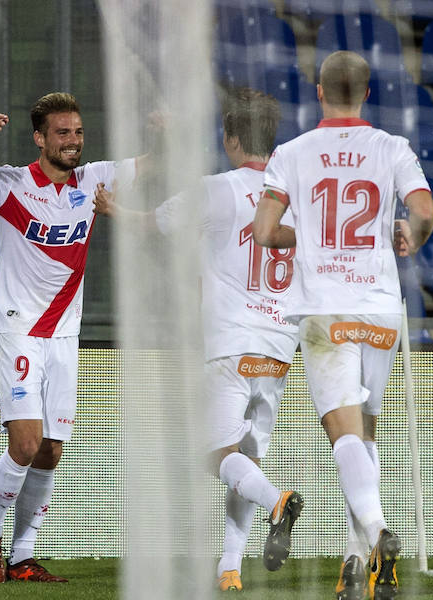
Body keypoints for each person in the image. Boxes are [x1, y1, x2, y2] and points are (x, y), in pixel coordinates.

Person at [93, 87, 303, 592]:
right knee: (243, 460)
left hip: (231, 343)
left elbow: (154, 224)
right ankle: (229, 567)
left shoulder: (218, 189)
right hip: (279, 346)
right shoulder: (295, 195)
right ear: (273, 144)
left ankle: (278, 500)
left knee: (215, 455)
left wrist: (112, 210)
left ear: (231, 140)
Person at [253, 51, 433, 600]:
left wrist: (306, 241)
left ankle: (378, 532)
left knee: (343, 435)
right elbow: (424, 212)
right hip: (380, 308)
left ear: (317, 92)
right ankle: (357, 564)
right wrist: (409, 235)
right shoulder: (391, 148)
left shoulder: (292, 152)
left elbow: (264, 231)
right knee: (366, 434)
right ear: (367, 93)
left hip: (326, 310)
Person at [0, 92, 139, 584]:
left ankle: (24, 556)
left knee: (51, 449)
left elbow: (153, 166)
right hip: (18, 329)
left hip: (64, 336)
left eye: (77, 132)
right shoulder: (9, 184)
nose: (73, 142)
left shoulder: (94, 180)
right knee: (25, 444)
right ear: (40, 138)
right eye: (62, 133)